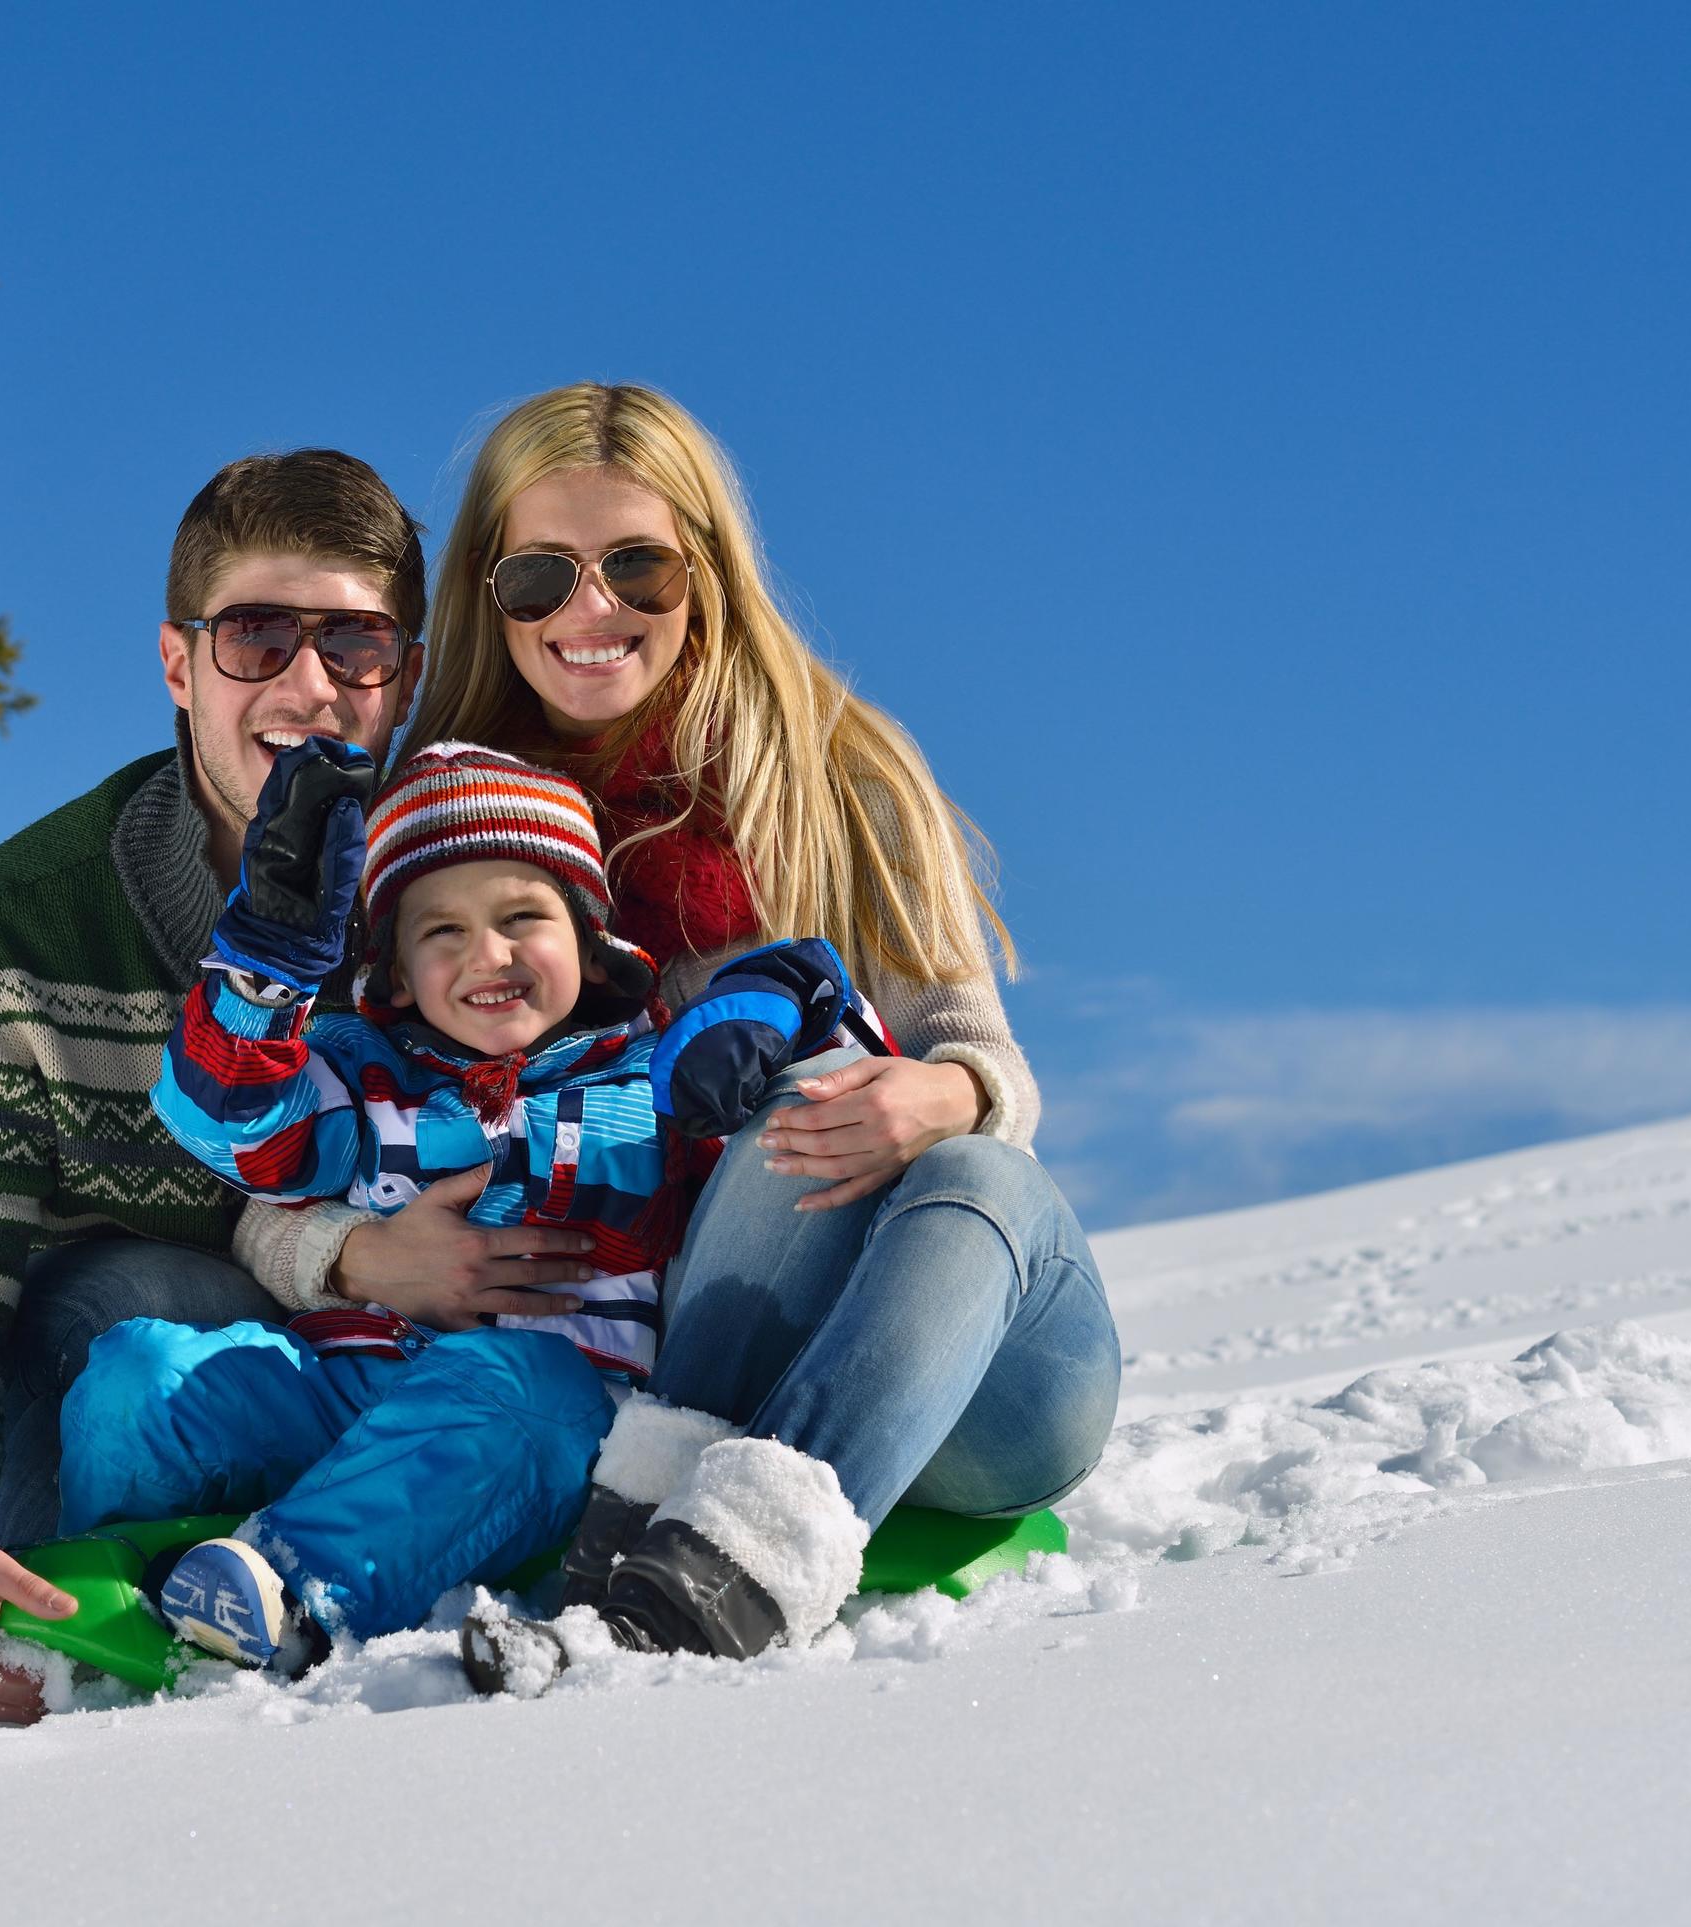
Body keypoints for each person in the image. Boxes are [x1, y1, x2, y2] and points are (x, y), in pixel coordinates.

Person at [318, 383, 1123, 1684]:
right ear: (487, 589)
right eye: (540, 576)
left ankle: (737, 1540)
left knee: (961, 1160)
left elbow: (981, 1048)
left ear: (707, 566)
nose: (591, 612)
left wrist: (950, 1094)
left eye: (636, 564)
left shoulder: (834, 769)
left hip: (961, 1373)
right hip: (658, 1353)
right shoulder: (441, 839)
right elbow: (303, 1115)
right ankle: (691, 1567)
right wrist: (357, 1252)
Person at [0, 451, 595, 1723]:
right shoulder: (18, 933)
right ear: (179, 665)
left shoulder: (477, 890)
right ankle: (149, 1653)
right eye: (255, 637)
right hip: (161, 1400)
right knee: (135, 1292)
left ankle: (399, 1565)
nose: (307, 685)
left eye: (354, 644)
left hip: (458, 1396)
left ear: (401, 670)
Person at [57, 738, 876, 1668]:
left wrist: (779, 1001)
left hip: (544, 1425)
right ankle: (103, 1594)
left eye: (523, 915)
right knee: (140, 1369)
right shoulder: (361, 1074)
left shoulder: (652, 1081)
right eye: (441, 930)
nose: (488, 953)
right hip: (351, 1393)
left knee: (530, 1394)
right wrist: (265, 964)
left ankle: (284, 1595)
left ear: (591, 943)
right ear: (396, 973)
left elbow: (813, 1134)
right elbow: (226, 1126)